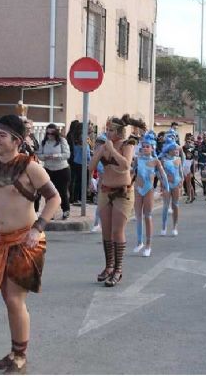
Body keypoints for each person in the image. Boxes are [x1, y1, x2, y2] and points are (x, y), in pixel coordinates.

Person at [0, 114, 61, 373]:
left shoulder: (30, 167)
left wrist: (38, 228)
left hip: (27, 240)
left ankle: (20, 356)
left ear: (16, 141)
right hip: (3, 241)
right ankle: (15, 351)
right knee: (8, 299)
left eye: (1, 135)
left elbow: (55, 199)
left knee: (15, 299)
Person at [88, 114, 144, 287]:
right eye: (107, 129)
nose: (107, 132)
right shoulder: (103, 145)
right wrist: (99, 153)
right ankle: (108, 266)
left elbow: (126, 165)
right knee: (106, 231)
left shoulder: (128, 144)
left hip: (123, 192)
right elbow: (91, 167)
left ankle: (118, 270)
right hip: (106, 191)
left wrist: (112, 151)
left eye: (110, 129)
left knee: (117, 231)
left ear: (119, 131)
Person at [133, 132, 168, 257]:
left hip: (148, 189)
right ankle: (139, 242)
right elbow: (132, 172)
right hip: (137, 188)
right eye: (144, 146)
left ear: (153, 147)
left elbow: (162, 174)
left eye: (148, 146)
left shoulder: (155, 161)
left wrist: (166, 186)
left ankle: (148, 245)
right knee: (138, 216)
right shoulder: (137, 159)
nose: (145, 148)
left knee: (147, 216)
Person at [38, 123, 71, 219]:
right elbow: (39, 154)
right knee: (49, 191)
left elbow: (67, 154)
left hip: (62, 169)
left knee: (62, 191)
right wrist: (45, 157)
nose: (49, 136)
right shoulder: (44, 142)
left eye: (52, 134)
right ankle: (50, 212)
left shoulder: (62, 141)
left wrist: (56, 156)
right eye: (48, 134)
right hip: (49, 169)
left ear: (56, 133)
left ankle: (65, 210)